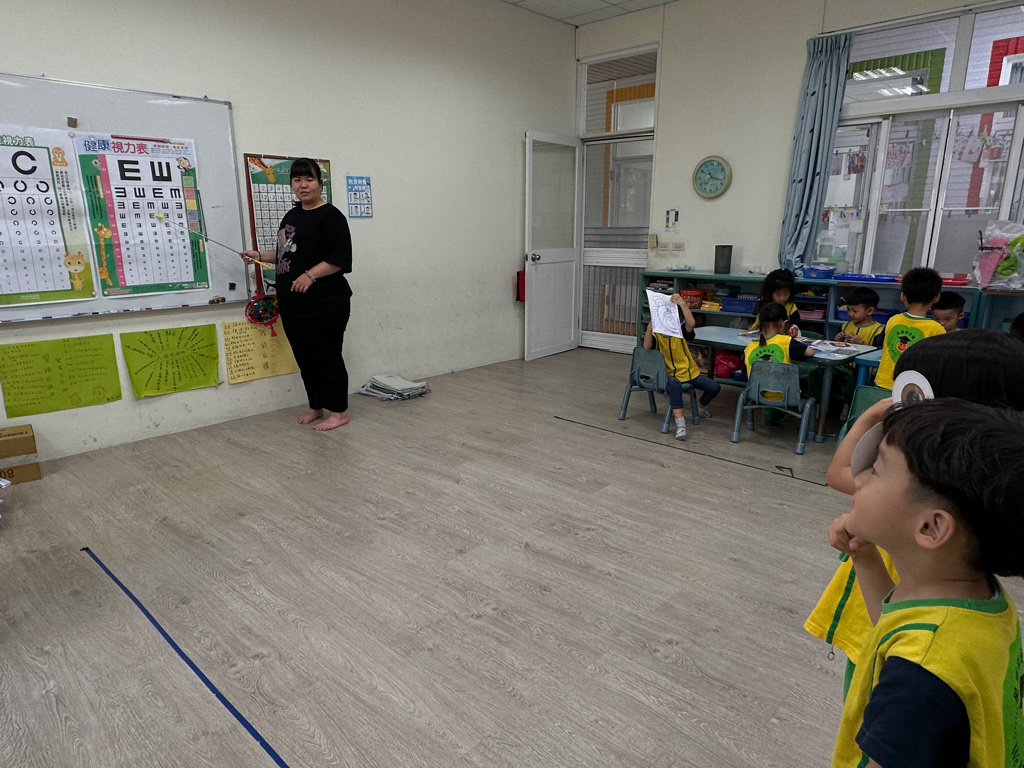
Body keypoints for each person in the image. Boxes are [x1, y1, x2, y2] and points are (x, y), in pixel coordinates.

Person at [805, 330, 1024, 694]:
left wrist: (870, 415)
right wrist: (864, 558)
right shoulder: (977, 530)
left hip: (883, 639)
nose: (863, 480)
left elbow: (839, 474)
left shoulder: (914, 509)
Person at [829, 399, 1024, 767]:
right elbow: (897, 628)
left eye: (876, 470)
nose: (858, 478)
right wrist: (865, 558)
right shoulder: (984, 601)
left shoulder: (917, 681)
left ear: (931, 528)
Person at [240, 158, 353, 431]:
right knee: (305, 359)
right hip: (293, 304)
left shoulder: (331, 216)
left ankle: (339, 412)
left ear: (320, 183)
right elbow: (285, 253)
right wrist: (258, 255)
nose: (303, 185)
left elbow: (340, 258)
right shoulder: (292, 215)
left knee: (327, 357)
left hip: (325, 303)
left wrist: (310, 275)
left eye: (309, 179)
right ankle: (316, 406)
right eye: (297, 180)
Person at [643, 293, 721, 440]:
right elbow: (646, 346)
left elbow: (691, 323)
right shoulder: (657, 335)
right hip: (669, 375)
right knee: (674, 384)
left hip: (688, 372)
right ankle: (680, 423)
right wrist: (650, 327)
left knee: (714, 387)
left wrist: (683, 304)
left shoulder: (679, 331)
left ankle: (700, 409)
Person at [873, 267, 944, 389]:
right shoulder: (936, 329)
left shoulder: (893, 320)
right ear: (936, 297)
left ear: (902, 296)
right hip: (912, 388)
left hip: (882, 383)